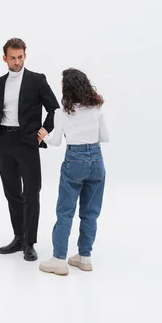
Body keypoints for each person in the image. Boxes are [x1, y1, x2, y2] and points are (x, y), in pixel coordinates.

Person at [0, 38, 60, 262]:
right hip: (4, 142)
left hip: (28, 142)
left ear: (25, 56)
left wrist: (45, 130)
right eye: (12, 58)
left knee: (31, 191)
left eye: (20, 57)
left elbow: (54, 108)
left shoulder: (37, 80)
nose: (17, 62)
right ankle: (18, 237)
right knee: (12, 192)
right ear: (5, 58)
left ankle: (30, 242)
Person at [38, 68, 109, 276]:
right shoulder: (96, 109)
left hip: (74, 161)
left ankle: (59, 259)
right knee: (90, 213)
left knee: (65, 212)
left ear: (66, 88)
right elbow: (104, 137)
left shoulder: (62, 113)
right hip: (97, 160)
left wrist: (44, 136)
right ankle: (84, 257)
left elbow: (57, 141)